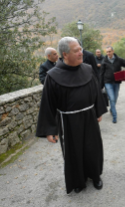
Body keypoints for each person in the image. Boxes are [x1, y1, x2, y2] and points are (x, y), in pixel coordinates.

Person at [36, 37, 107, 194]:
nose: (81, 53)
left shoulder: (88, 69)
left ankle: (95, 176)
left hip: (89, 117)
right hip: (68, 121)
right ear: (65, 54)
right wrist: (50, 130)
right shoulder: (52, 76)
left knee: (92, 148)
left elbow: (95, 91)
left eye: (80, 49)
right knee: (73, 151)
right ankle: (77, 180)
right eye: (76, 51)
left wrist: (98, 110)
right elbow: (48, 104)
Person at [100, 46, 125, 123]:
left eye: (109, 51)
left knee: (114, 98)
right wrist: (100, 86)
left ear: (113, 51)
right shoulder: (104, 61)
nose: (108, 53)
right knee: (111, 98)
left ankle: (112, 109)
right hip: (107, 82)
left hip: (117, 82)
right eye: (107, 52)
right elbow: (101, 74)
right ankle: (115, 117)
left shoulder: (119, 60)